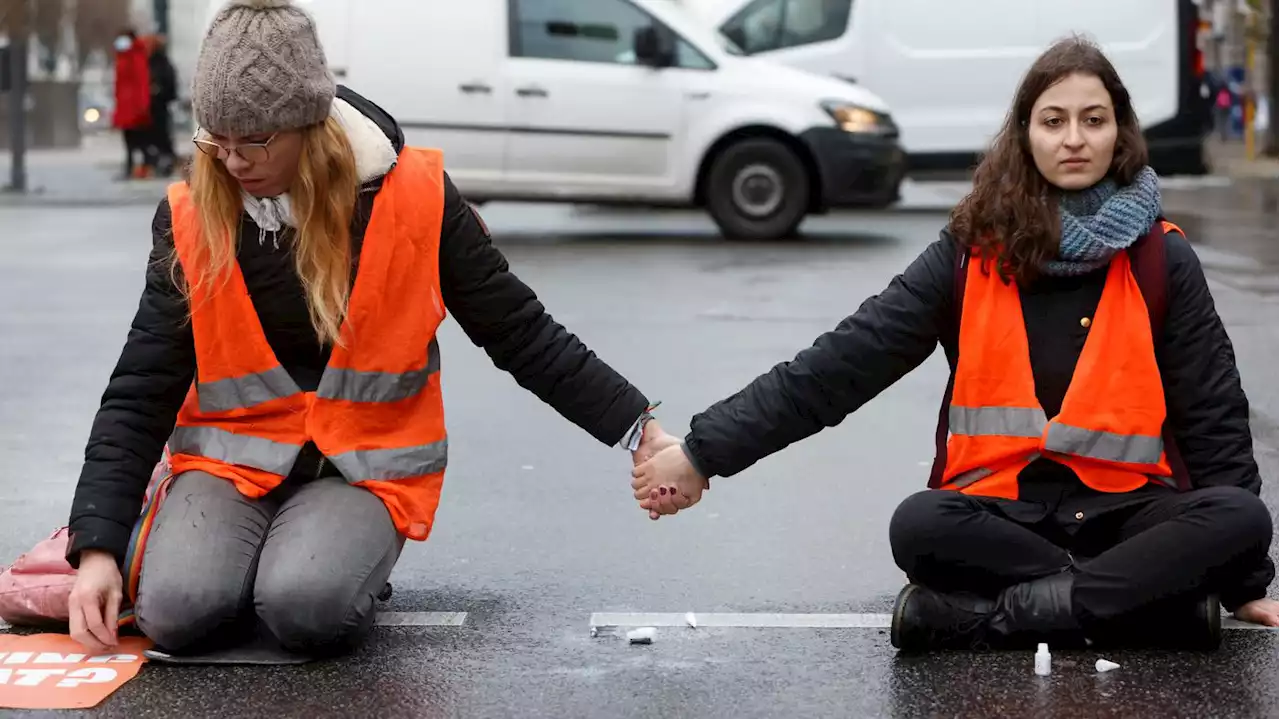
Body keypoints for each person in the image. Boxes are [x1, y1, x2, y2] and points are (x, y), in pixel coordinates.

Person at [65, 0, 678, 658]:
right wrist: (98, 547)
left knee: (305, 605)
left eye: (256, 140)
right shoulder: (192, 210)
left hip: (360, 470)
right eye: (218, 140)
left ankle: (330, 560)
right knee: (177, 613)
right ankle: (219, 551)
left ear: (307, 123)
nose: (234, 161)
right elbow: (142, 383)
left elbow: (522, 333)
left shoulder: (417, 197)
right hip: (229, 463)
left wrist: (637, 428)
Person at [631, 37, 1279, 651]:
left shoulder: (1159, 255)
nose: (1075, 138)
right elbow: (839, 367)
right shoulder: (969, 255)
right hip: (999, 515)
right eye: (1054, 121)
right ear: (1025, 135)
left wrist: (1248, 579)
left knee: (1241, 521)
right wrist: (702, 452)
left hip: (1130, 513)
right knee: (918, 525)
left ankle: (992, 618)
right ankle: (1143, 603)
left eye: (1094, 119)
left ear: (1121, 131)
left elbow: (1212, 411)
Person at [111, 30, 152, 180]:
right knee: (130, 141)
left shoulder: (135, 57)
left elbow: (141, 83)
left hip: (134, 108)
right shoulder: (123, 57)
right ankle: (133, 168)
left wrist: (142, 106)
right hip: (125, 107)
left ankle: (143, 167)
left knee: (138, 142)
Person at [143, 34, 179, 178]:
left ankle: (162, 163)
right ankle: (158, 163)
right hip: (152, 108)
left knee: (160, 138)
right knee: (157, 138)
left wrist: (158, 91)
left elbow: (169, 86)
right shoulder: (155, 64)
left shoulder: (159, 65)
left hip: (158, 107)